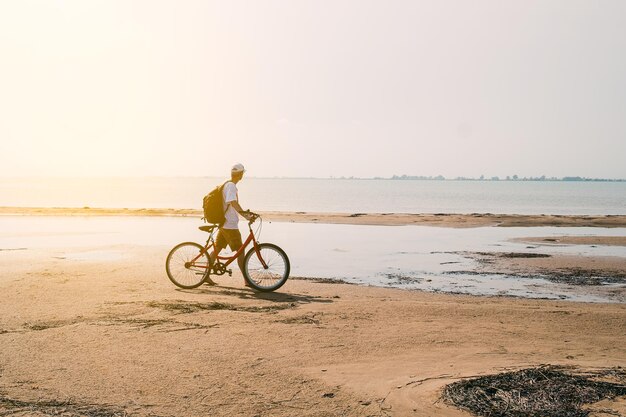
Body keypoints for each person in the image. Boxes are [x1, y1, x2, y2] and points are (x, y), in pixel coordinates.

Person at [206, 163, 254, 286]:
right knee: (240, 251)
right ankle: (247, 280)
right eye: (242, 173)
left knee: (216, 249)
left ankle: (206, 275)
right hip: (230, 225)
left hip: (224, 223)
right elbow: (232, 202)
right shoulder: (231, 186)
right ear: (240, 175)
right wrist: (246, 216)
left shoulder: (227, 184)